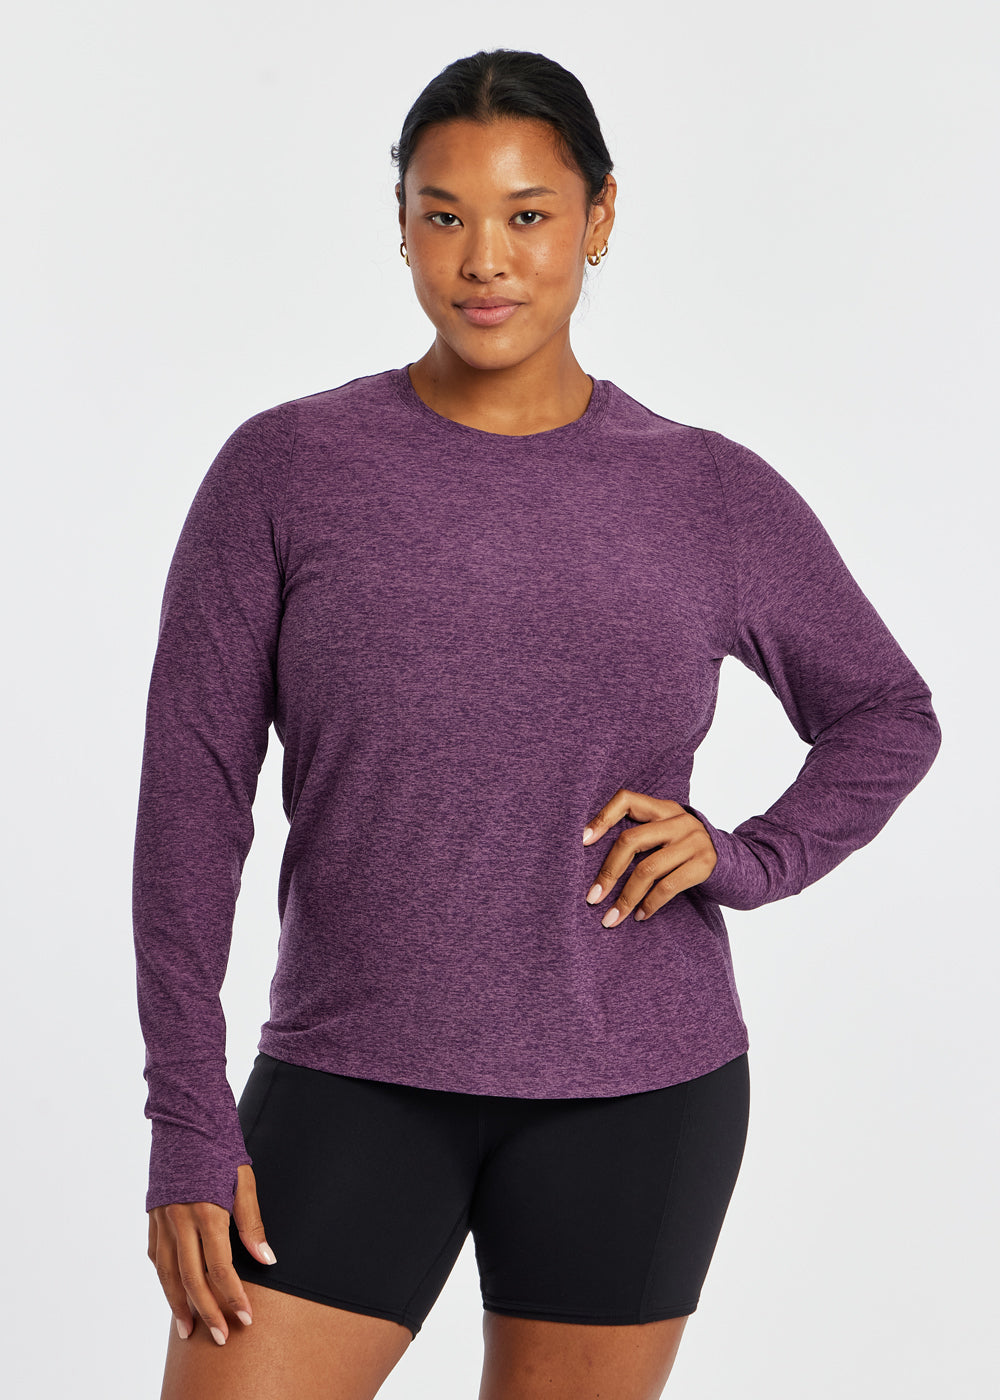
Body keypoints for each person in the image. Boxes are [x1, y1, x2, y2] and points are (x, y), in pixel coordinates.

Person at [133, 48, 942, 1400]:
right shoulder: (285, 471)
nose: (484, 260)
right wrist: (184, 1114)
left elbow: (884, 711)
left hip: (641, 1091)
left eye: (527, 215)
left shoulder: (704, 491)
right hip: (350, 1072)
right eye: (444, 214)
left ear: (599, 218)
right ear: (400, 223)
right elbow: (190, 802)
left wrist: (746, 855)